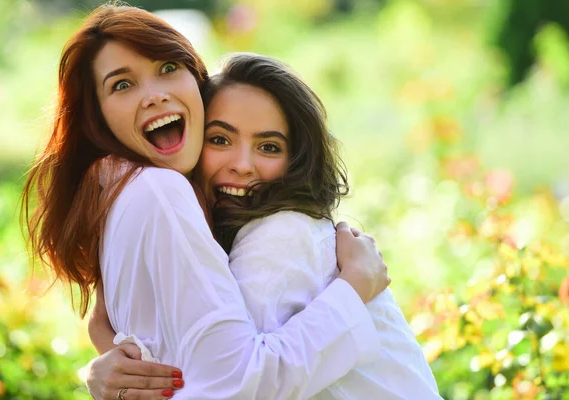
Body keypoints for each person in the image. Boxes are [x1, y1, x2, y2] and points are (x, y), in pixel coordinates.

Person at [21, 4, 390, 400]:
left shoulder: (277, 233)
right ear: (97, 118)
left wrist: (354, 288)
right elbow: (227, 379)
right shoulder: (156, 193)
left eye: (167, 68)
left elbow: (223, 379)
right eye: (122, 85)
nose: (155, 96)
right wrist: (110, 353)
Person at [87, 53, 442, 399]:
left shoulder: (281, 236)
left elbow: (230, 386)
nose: (242, 165)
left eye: (269, 147)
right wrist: (103, 351)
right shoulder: (208, 235)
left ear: (296, 162)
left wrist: (354, 286)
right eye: (220, 140)